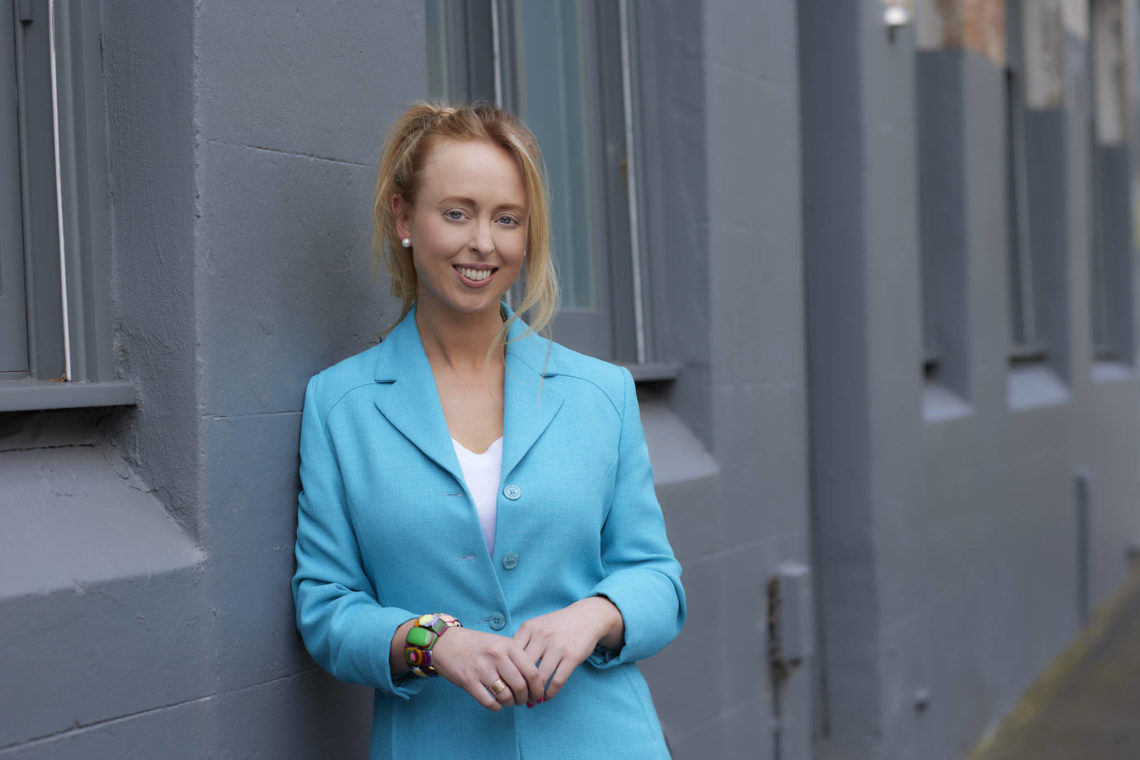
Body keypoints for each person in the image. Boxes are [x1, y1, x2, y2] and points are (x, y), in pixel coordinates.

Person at [292, 102, 685, 759]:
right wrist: (431, 642)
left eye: (508, 219)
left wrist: (594, 616)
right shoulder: (340, 405)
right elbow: (326, 607)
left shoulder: (602, 394)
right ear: (403, 218)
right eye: (457, 213)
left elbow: (657, 579)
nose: (483, 242)